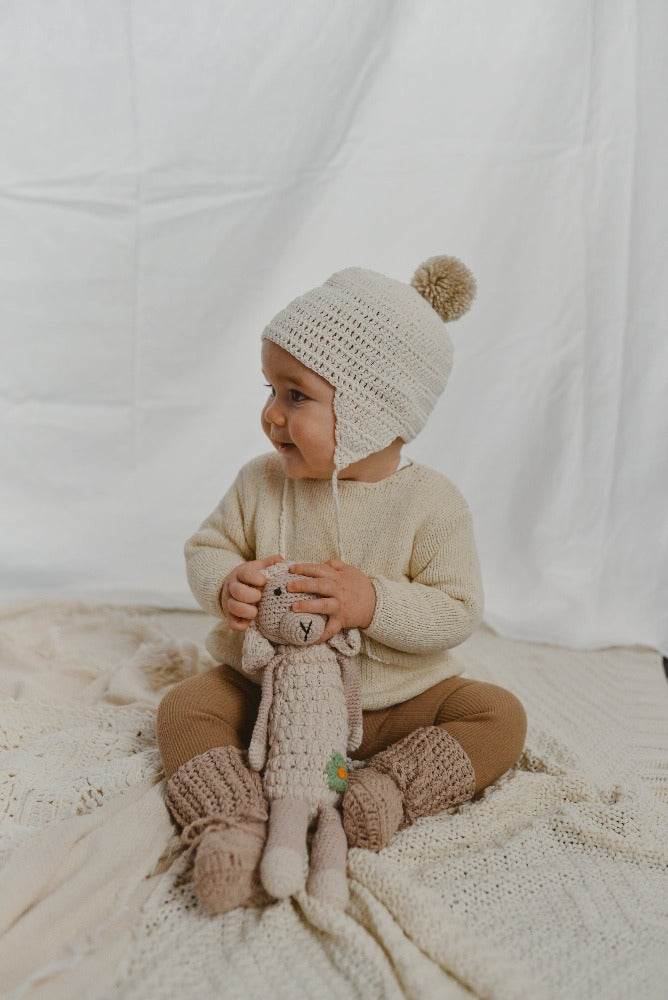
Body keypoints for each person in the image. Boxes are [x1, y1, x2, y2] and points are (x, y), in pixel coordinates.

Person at [157, 255, 527, 914]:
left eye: (295, 394)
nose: (271, 415)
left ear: (370, 411)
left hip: (392, 701)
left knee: (500, 716)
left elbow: (456, 610)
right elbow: (208, 546)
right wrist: (226, 585)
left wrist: (374, 601)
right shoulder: (259, 481)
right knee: (184, 708)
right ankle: (233, 820)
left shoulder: (432, 505)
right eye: (270, 390)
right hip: (270, 692)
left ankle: (385, 792)